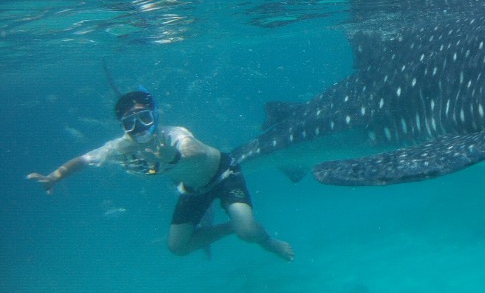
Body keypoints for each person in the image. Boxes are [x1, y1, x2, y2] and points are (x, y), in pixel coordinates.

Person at [27, 89, 294, 262]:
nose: (138, 127)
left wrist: (174, 158)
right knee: (178, 247)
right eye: (129, 123)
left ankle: (267, 241)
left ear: (155, 116)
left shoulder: (173, 134)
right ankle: (228, 228)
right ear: (122, 126)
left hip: (223, 176)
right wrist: (56, 176)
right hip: (192, 188)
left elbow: (195, 151)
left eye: (144, 118)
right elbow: (85, 159)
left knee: (248, 232)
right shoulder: (122, 146)